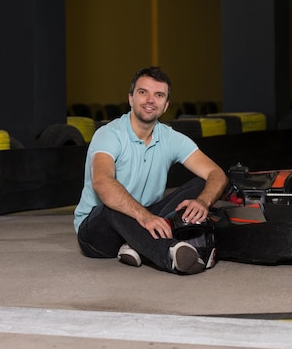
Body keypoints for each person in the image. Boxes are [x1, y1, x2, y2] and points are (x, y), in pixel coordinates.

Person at [73, 67, 228, 275]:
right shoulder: (109, 134)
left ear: (165, 106)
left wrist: (203, 201)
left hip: (147, 219)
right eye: (143, 92)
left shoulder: (170, 138)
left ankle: (136, 245)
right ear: (131, 99)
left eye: (159, 95)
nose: (150, 100)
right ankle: (168, 253)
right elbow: (101, 182)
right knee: (112, 203)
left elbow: (216, 174)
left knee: (201, 185)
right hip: (97, 232)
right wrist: (145, 217)